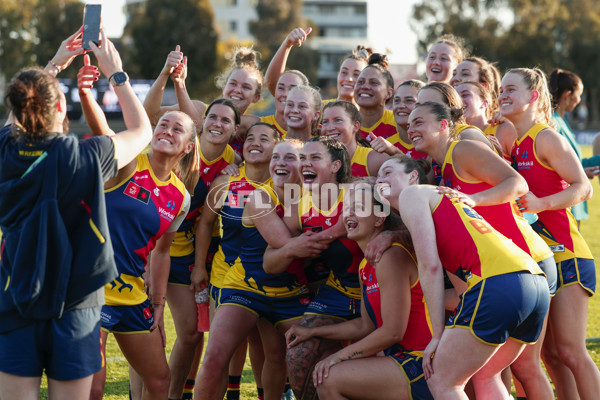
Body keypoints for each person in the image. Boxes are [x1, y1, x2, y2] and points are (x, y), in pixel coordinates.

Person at [0, 28, 152, 400]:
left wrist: (53, 64)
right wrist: (115, 73)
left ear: (17, 109)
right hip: (77, 304)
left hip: (15, 293)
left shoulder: (4, 150)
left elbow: (12, 122)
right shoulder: (87, 155)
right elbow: (141, 130)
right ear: (59, 108)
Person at [411, 102, 556, 399]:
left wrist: (474, 199)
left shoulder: (461, 149)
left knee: (517, 370)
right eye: (408, 123)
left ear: (443, 125)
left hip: (519, 261)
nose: (410, 128)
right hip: (517, 272)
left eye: (419, 121)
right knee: (486, 373)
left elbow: (518, 183)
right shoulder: (443, 172)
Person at [376, 153, 550, 399]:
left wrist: (437, 336)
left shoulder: (411, 194)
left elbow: (430, 266)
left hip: (500, 282)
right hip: (534, 281)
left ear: (413, 176)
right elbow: (462, 292)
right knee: (486, 374)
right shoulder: (437, 201)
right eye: (377, 176)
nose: (379, 180)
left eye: (387, 172)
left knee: (442, 379)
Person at [499, 67, 600, 399]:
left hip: (567, 254)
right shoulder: (510, 140)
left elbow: (583, 187)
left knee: (571, 352)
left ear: (532, 96)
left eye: (511, 89)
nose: (503, 94)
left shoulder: (545, 136)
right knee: (550, 355)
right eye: (501, 88)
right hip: (539, 262)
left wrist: (542, 204)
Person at [285, 180, 434, 400]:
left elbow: (393, 332)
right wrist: (312, 331)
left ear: (379, 218)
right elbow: (364, 326)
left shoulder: (391, 257)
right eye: (346, 208)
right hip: (398, 361)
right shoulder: (366, 265)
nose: (349, 214)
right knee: (325, 369)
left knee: (329, 378)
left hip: (420, 363)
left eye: (359, 207)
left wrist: (338, 357)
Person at [264, 137, 363, 400]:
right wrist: (292, 249)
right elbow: (270, 262)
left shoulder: (357, 192)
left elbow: (392, 228)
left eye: (315, 158)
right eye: (303, 158)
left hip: (378, 293)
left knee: (374, 361)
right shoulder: (299, 203)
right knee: (298, 353)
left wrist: (327, 235)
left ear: (335, 166)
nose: (306, 164)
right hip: (338, 292)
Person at [193, 123, 280, 400]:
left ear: (277, 147)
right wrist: (198, 266)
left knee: (270, 350)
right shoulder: (225, 182)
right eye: (250, 138)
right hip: (226, 277)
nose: (255, 142)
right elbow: (205, 225)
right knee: (220, 350)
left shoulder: (284, 184)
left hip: (269, 280)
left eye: (264, 138)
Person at [263, 27, 372, 107]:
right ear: (338, 75)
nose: (348, 79)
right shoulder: (318, 108)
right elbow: (274, 85)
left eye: (356, 74)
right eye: (344, 72)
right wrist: (287, 45)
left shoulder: (368, 116)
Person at [548, 68, 600, 226]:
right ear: (567, 95)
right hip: (564, 204)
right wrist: (581, 172)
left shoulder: (561, 121)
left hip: (572, 202)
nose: (579, 99)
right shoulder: (552, 123)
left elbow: (573, 162)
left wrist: (585, 169)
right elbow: (552, 164)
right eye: (579, 94)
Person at [320, 100, 388, 177]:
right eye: (325, 122)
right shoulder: (314, 159)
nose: (330, 128)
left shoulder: (374, 160)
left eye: (338, 120)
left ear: (355, 126)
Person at [455, 81, 516, 159]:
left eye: (465, 95)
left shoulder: (504, 129)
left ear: (484, 103)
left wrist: (499, 158)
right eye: (455, 97)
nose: (459, 100)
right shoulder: (452, 136)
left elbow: (524, 168)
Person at [369, 80, 429, 159]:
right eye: (397, 101)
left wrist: (395, 152)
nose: (401, 106)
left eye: (409, 101)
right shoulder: (385, 147)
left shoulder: (432, 142)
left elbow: (421, 171)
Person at [354, 54, 396, 141]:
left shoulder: (399, 124)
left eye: (373, 82)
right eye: (360, 82)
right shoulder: (345, 123)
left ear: (388, 93)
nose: (365, 87)